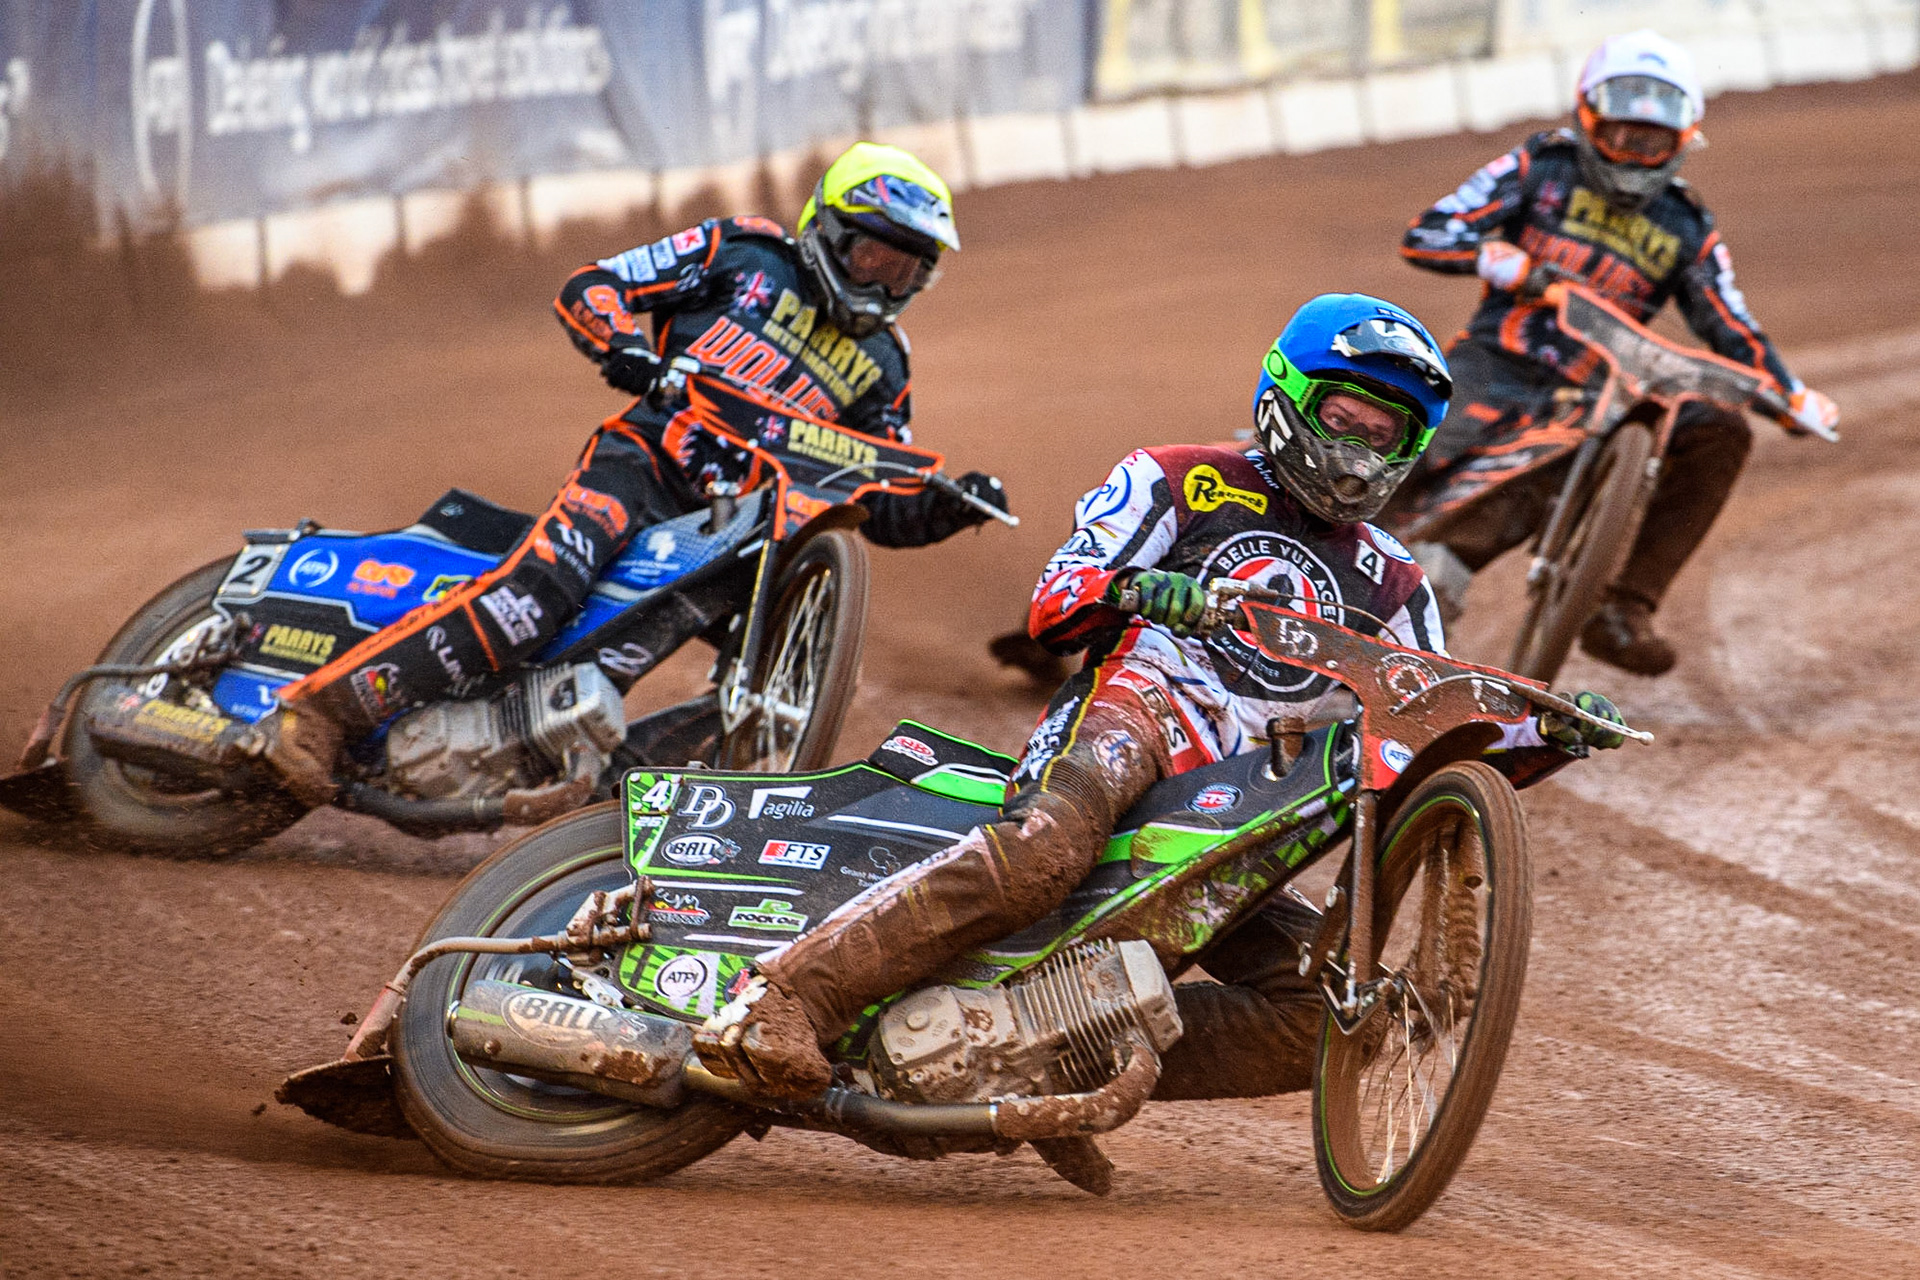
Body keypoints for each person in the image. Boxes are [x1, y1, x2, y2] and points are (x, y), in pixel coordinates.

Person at [695, 292, 1625, 1101]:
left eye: (1385, 437)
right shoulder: (1181, 476)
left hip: (1243, 803)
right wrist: (1143, 590)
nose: (1359, 452)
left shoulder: (1395, 582)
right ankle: (787, 996)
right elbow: (1056, 597)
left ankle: (1051, 1062)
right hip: (1136, 717)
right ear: (1287, 398)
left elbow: (1422, 732)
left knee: (1318, 1017)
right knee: (1044, 854)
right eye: (1345, 417)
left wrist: (1537, 724)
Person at [237, 143, 1008, 805]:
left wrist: (947, 506)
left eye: (907, 270)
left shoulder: (885, 365)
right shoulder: (745, 252)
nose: (886, 282)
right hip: (642, 465)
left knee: (718, 678)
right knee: (533, 601)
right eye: (876, 256)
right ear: (832, 234)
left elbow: (875, 491)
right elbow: (593, 285)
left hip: (733, 532)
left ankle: (591, 803)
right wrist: (623, 348)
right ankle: (319, 713)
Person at [1392, 29, 1839, 675]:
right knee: (1410, 449)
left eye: (1652, 143)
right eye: (1623, 136)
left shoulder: (1687, 225)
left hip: (1607, 393)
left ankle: (1623, 607)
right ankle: (1301, 522)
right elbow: (1429, 233)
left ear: (1683, 144)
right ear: (1588, 121)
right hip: (1501, 359)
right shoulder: (1540, 166)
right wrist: (1504, 262)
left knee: (1720, 430)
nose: (1634, 156)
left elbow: (1729, 323)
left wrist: (1791, 394)